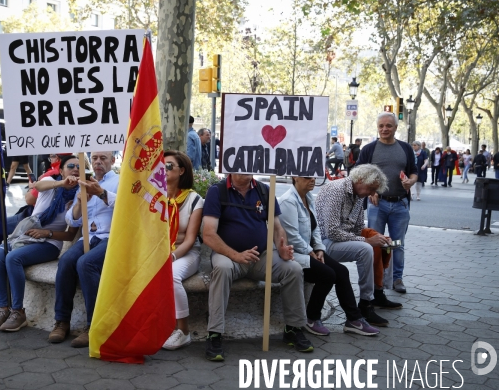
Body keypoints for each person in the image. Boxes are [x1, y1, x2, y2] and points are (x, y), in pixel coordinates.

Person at [203, 174, 309, 361]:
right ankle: (214, 334)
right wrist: (236, 255)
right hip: (229, 255)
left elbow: (276, 227)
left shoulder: (264, 190)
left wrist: (283, 248)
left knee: (293, 269)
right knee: (222, 269)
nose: (245, 170)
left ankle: (293, 328)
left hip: (260, 256)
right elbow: (209, 234)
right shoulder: (217, 191)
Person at [0, 156, 80, 332]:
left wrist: (47, 232)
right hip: (26, 236)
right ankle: (3, 309)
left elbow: (69, 235)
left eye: (79, 167)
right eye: (71, 166)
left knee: (13, 258)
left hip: (49, 244)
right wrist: (62, 184)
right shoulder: (51, 182)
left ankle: (18, 311)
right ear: (61, 171)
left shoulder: (79, 196)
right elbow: (38, 186)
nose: (75, 169)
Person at [278, 176, 380, 336]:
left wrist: (319, 249)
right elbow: (292, 235)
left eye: (314, 177)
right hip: (293, 254)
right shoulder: (288, 201)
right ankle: (312, 317)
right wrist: (310, 252)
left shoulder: (308, 197)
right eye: (307, 178)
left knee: (342, 272)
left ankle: (354, 319)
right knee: (327, 275)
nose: (312, 180)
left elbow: (315, 228)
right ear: (295, 178)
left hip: (310, 250)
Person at [315, 164, 401, 328]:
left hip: (337, 240)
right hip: (322, 244)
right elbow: (331, 231)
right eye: (371, 188)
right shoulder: (337, 190)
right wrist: (367, 241)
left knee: (380, 244)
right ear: (360, 180)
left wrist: (377, 238)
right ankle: (366, 303)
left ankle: (377, 292)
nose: (372, 193)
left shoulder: (358, 194)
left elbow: (358, 228)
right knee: (366, 248)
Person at [48, 151, 119, 348]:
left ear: (112, 161)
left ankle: (94, 325)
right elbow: (72, 220)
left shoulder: (120, 181)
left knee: (86, 264)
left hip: (111, 238)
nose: (98, 162)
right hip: (89, 238)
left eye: (103, 158)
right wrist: (80, 203)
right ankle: (62, 321)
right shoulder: (84, 182)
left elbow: (127, 207)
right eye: (95, 158)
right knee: (66, 261)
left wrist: (102, 194)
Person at [354, 112, 417, 294]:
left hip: (400, 204)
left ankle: (397, 278)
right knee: (376, 243)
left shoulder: (405, 148)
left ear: (396, 128)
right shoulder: (369, 149)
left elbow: (413, 172)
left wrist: (410, 182)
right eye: (381, 126)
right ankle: (376, 281)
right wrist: (370, 191)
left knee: (397, 243)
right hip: (377, 205)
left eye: (388, 126)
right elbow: (357, 173)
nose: (384, 129)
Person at [162, 151, 204, 350]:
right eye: (161, 165)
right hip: (159, 252)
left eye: (169, 165)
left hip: (186, 253)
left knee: (171, 276)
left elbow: (190, 239)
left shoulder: (194, 200)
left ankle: (184, 331)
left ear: (182, 170)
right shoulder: (155, 197)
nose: (164, 169)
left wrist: (172, 256)